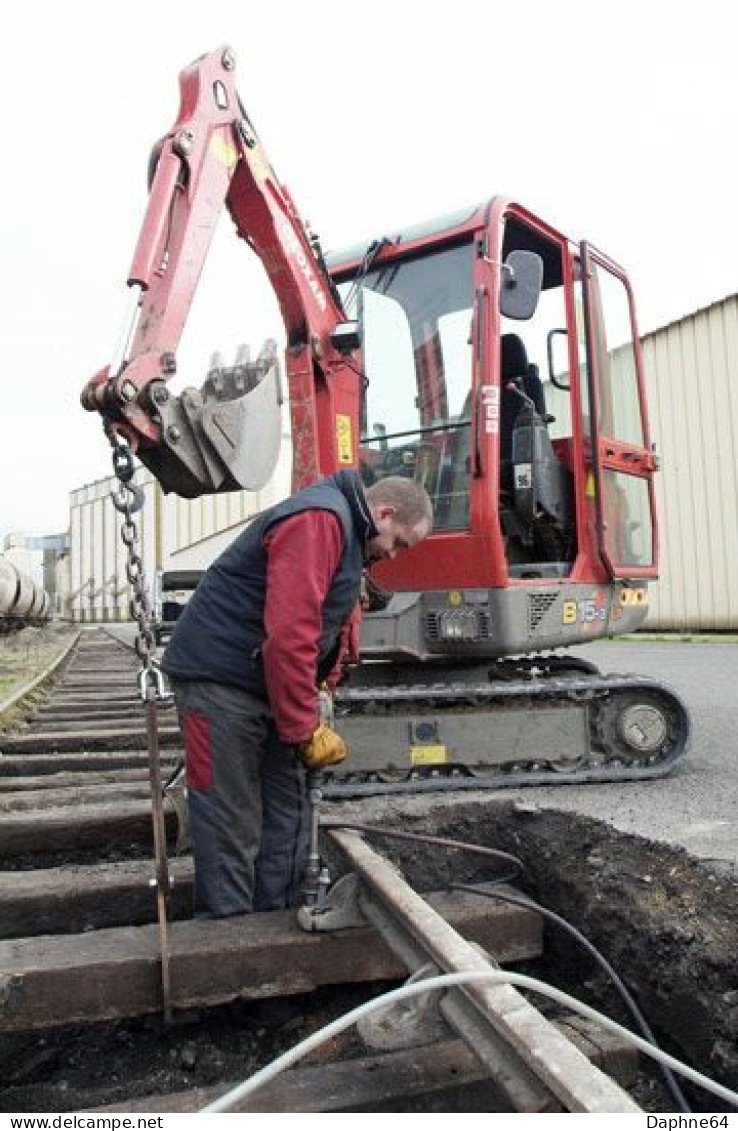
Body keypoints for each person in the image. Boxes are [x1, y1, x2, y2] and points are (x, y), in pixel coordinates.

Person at [162, 468, 433, 918]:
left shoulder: (347, 536)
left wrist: (320, 692)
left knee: (287, 810)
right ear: (384, 513)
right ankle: (227, 939)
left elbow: (329, 626)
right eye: (399, 542)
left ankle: (277, 919)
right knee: (230, 818)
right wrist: (304, 725)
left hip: (263, 684)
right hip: (217, 681)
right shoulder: (319, 520)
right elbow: (290, 635)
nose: (393, 554)